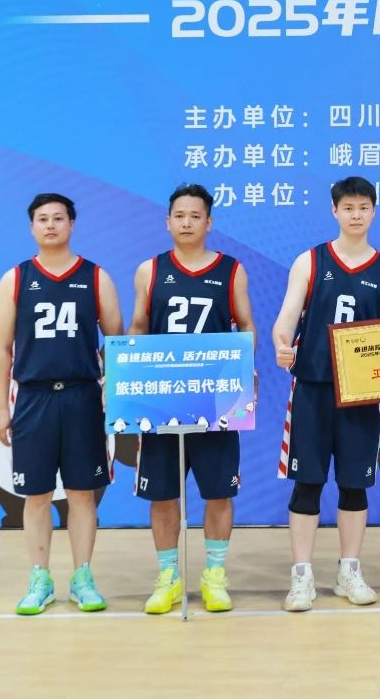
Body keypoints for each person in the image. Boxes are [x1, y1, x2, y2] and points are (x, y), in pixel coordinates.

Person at [272, 176, 380, 612]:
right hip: (312, 389)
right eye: (348, 207)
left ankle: (349, 571)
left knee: (354, 485)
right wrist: (281, 344)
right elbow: (286, 319)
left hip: (360, 397)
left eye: (363, 207)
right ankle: (301, 576)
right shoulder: (310, 261)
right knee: (307, 484)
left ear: (374, 211)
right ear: (334, 211)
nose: (356, 214)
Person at [128, 184, 257, 615]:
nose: (186, 222)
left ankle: (214, 575)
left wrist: (245, 370)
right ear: (168, 221)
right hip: (162, 400)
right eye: (179, 215)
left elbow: (246, 325)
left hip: (216, 401)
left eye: (195, 215)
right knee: (163, 494)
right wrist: (130, 374)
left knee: (219, 492)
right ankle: (168, 577)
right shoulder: (150, 270)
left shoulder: (231, 270)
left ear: (209, 222)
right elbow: (138, 326)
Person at [0, 193, 123, 615]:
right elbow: (2, 349)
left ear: (72, 224)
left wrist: (112, 391)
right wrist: (2, 408)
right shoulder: (15, 279)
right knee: (36, 495)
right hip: (34, 398)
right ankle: (40, 578)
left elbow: (117, 343)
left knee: (83, 494)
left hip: (83, 396)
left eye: (58, 218)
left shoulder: (96, 277)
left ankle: (83, 577)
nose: (50, 225)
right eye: (43, 219)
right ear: (32, 227)